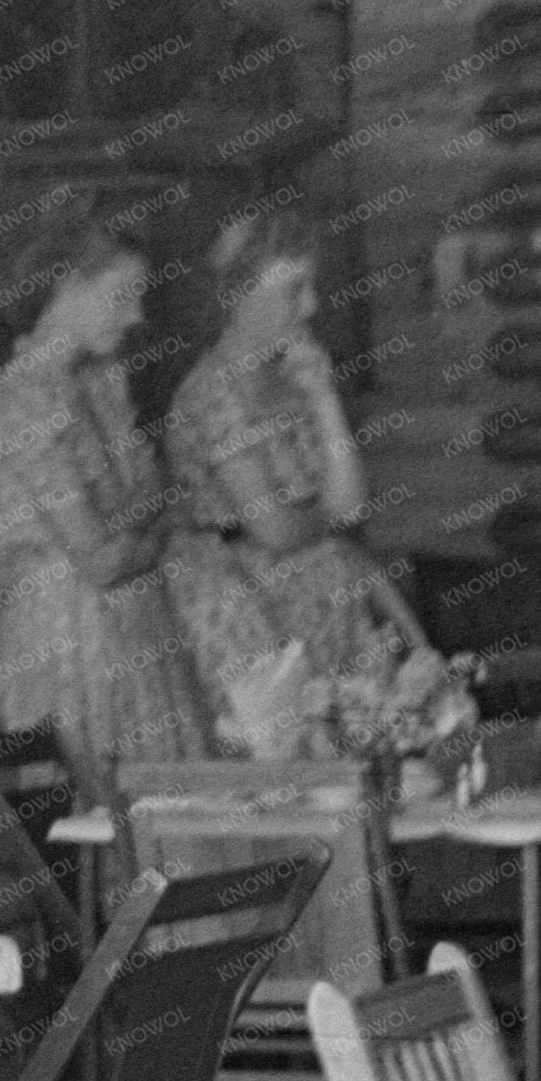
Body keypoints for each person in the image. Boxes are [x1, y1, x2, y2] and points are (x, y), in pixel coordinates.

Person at [0, 216, 217, 797]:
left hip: (135, 621)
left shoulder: (100, 383)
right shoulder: (26, 403)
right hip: (72, 635)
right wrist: (155, 535)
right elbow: (101, 560)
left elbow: (155, 498)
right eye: (121, 297)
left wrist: (142, 529)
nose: (136, 317)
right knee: (98, 813)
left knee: (170, 809)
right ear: (66, 285)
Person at [159, 203, 432, 738]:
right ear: (241, 294)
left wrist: (324, 398)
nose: (309, 307)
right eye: (293, 290)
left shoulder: (293, 381)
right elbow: (276, 530)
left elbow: (349, 508)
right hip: (246, 606)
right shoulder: (211, 394)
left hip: (320, 594)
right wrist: (326, 524)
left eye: (311, 288)